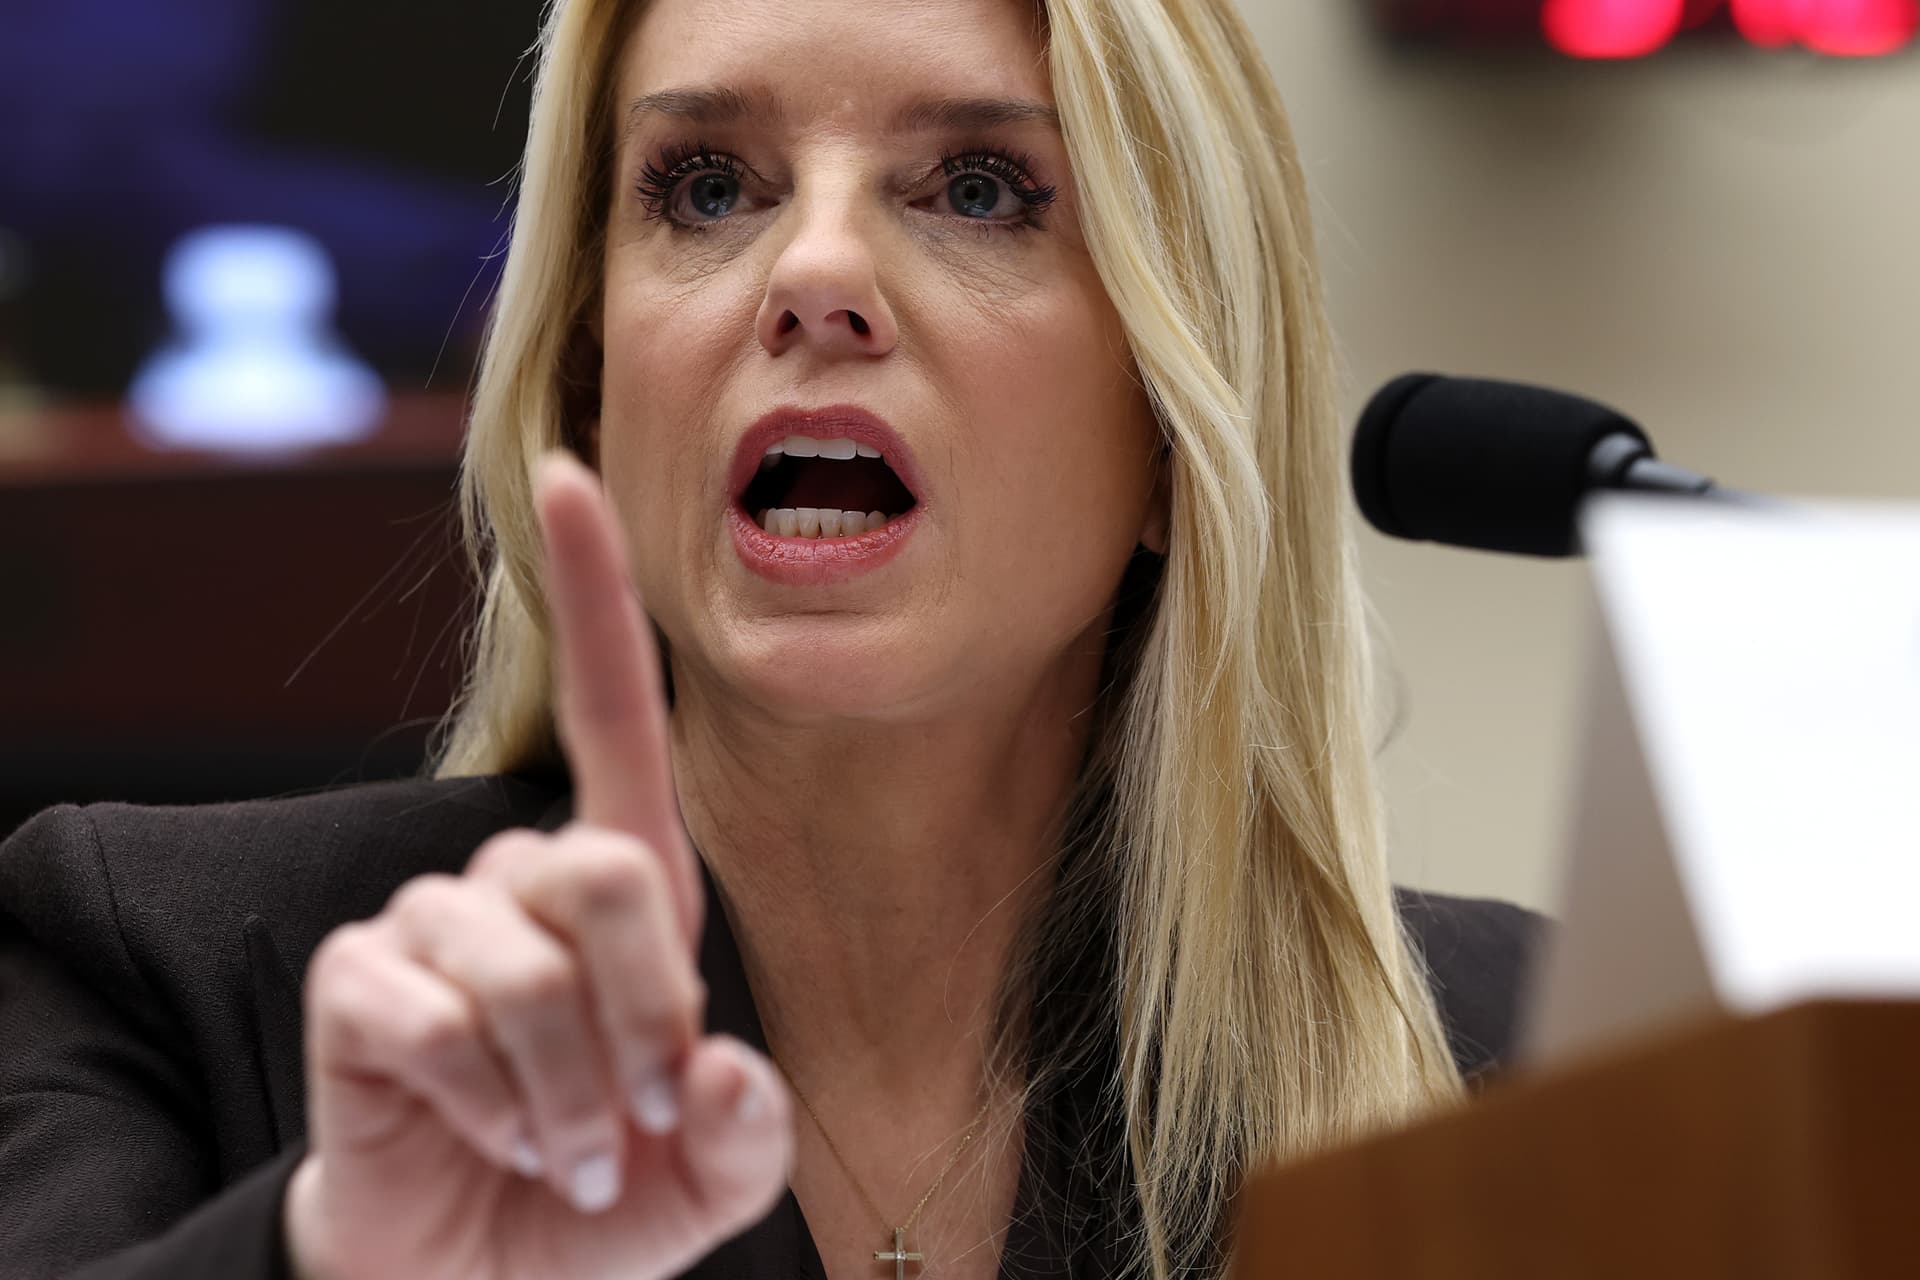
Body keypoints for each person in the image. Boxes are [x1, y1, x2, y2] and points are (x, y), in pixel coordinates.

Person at [0, 0, 1547, 1277]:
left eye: (979, 190)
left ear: (1172, 424)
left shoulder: (1523, 1063)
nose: (812, 274)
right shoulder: (157, 968)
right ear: (591, 392)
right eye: (708, 189)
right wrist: (339, 1256)